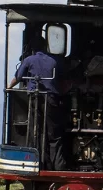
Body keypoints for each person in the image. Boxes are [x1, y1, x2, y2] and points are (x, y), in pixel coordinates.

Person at [8, 32, 67, 174]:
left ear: (32, 48)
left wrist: (9, 87)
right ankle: (58, 167)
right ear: (46, 47)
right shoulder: (54, 61)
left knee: (38, 132)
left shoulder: (29, 60)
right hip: (51, 99)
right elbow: (61, 80)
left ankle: (40, 164)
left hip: (35, 99)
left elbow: (18, 76)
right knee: (54, 134)